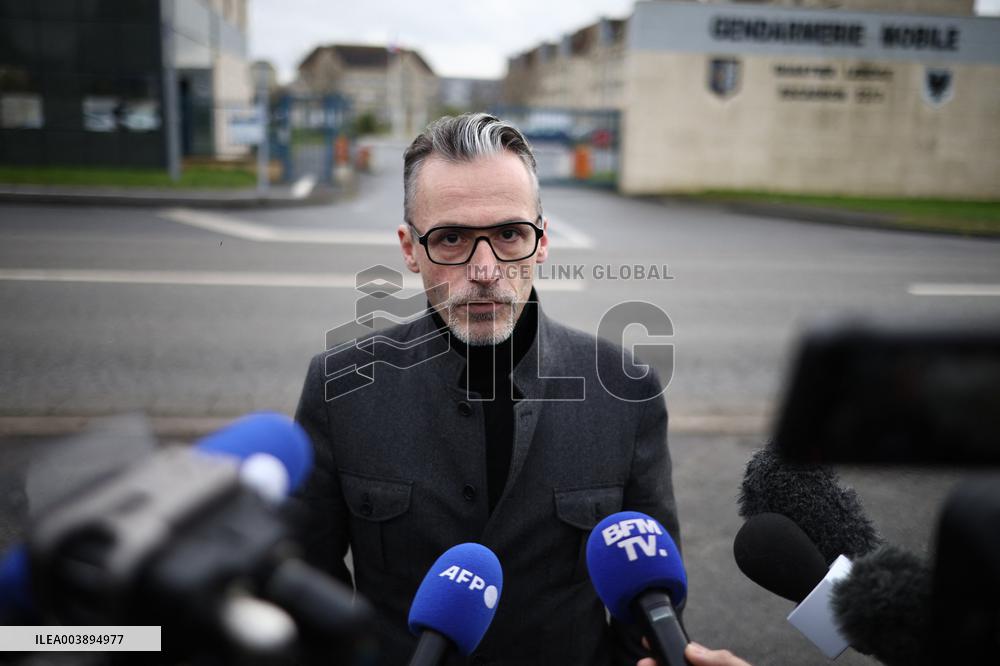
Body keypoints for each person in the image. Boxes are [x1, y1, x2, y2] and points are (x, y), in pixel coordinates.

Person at [291, 113, 679, 665]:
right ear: (408, 247)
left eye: (508, 234)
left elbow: (652, 604)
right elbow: (309, 596)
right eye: (450, 238)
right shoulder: (340, 387)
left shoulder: (624, 388)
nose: (485, 269)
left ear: (542, 241)